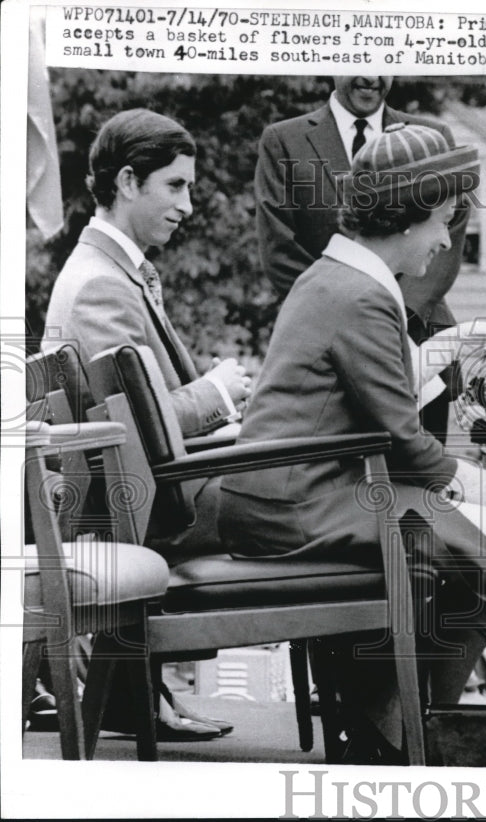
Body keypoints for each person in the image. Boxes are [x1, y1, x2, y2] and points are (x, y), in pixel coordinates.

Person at [220, 123, 486, 761]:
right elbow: (401, 437)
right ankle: (421, 730)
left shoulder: (335, 278)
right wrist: (478, 482)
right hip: (300, 502)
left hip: (300, 487)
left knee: (466, 550)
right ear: (414, 214)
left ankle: (390, 723)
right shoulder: (363, 294)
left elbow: (375, 403)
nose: (443, 244)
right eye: (445, 225)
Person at [42, 109, 245, 741]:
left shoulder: (114, 271)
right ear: (129, 181)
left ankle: (137, 691)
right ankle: (376, 702)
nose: (189, 203)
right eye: (176, 186)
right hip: (141, 509)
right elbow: (136, 431)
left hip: (143, 495)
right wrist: (216, 392)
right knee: (329, 493)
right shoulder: (102, 284)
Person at [254, 76, 468, 442]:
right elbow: (280, 247)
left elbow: (449, 229)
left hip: (419, 334)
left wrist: (396, 317)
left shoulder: (432, 134)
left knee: (421, 476)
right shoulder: (284, 140)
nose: (370, 76)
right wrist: (346, 319)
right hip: (330, 345)